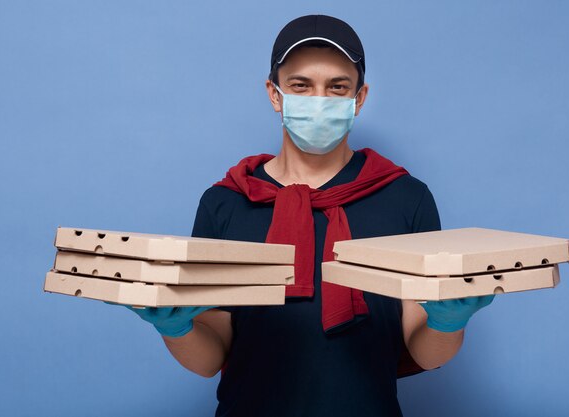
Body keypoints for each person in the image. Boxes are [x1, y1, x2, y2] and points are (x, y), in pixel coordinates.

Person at [120, 15, 494, 417]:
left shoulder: (406, 199)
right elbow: (210, 358)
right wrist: (174, 327)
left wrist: (448, 321)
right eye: (301, 85)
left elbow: (427, 353)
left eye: (337, 87)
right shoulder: (225, 203)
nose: (320, 100)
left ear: (360, 97)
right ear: (275, 94)